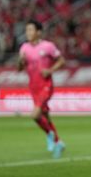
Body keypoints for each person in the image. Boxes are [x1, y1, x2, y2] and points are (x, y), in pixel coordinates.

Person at [18, 20, 66, 158]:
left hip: (46, 85)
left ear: (38, 32)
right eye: (27, 30)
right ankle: (58, 142)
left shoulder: (48, 46)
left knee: (35, 115)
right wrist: (20, 62)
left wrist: (50, 70)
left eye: (31, 30)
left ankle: (50, 134)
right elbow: (20, 68)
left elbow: (62, 61)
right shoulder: (24, 48)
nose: (28, 33)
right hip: (33, 87)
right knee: (45, 117)